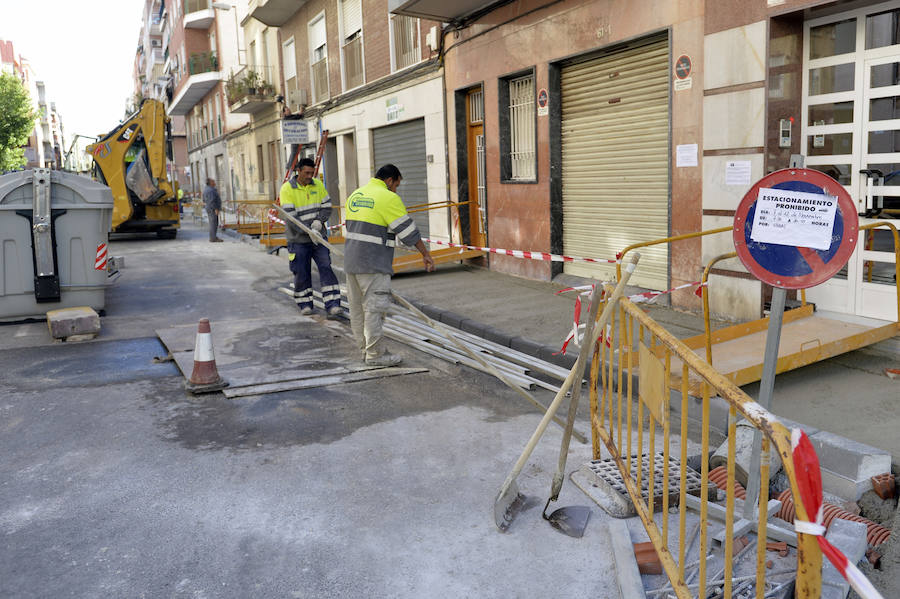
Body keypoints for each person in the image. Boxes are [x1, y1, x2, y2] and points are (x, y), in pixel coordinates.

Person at [344, 164, 435, 367]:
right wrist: (425, 254)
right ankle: (376, 355)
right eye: (396, 185)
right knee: (374, 310)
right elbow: (408, 232)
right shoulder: (387, 197)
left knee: (357, 309)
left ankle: (365, 350)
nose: (396, 190)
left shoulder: (356, 195)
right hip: (373, 264)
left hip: (351, 262)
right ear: (389, 180)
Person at [279, 158, 342, 316]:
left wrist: (318, 222)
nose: (309, 176)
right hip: (298, 240)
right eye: (306, 173)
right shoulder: (287, 189)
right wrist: (308, 230)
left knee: (326, 267)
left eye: (311, 173)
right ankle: (305, 304)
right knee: (301, 271)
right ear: (298, 171)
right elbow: (291, 217)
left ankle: (333, 304)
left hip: (318, 239)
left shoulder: (318, 185)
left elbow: (327, 207)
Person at [202, 178, 223, 242]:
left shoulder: (206, 189)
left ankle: (213, 237)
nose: (214, 182)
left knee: (212, 223)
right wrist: (216, 209)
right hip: (212, 209)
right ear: (210, 183)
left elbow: (204, 200)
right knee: (213, 223)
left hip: (209, 208)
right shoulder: (211, 190)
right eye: (213, 181)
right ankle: (213, 238)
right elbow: (212, 201)